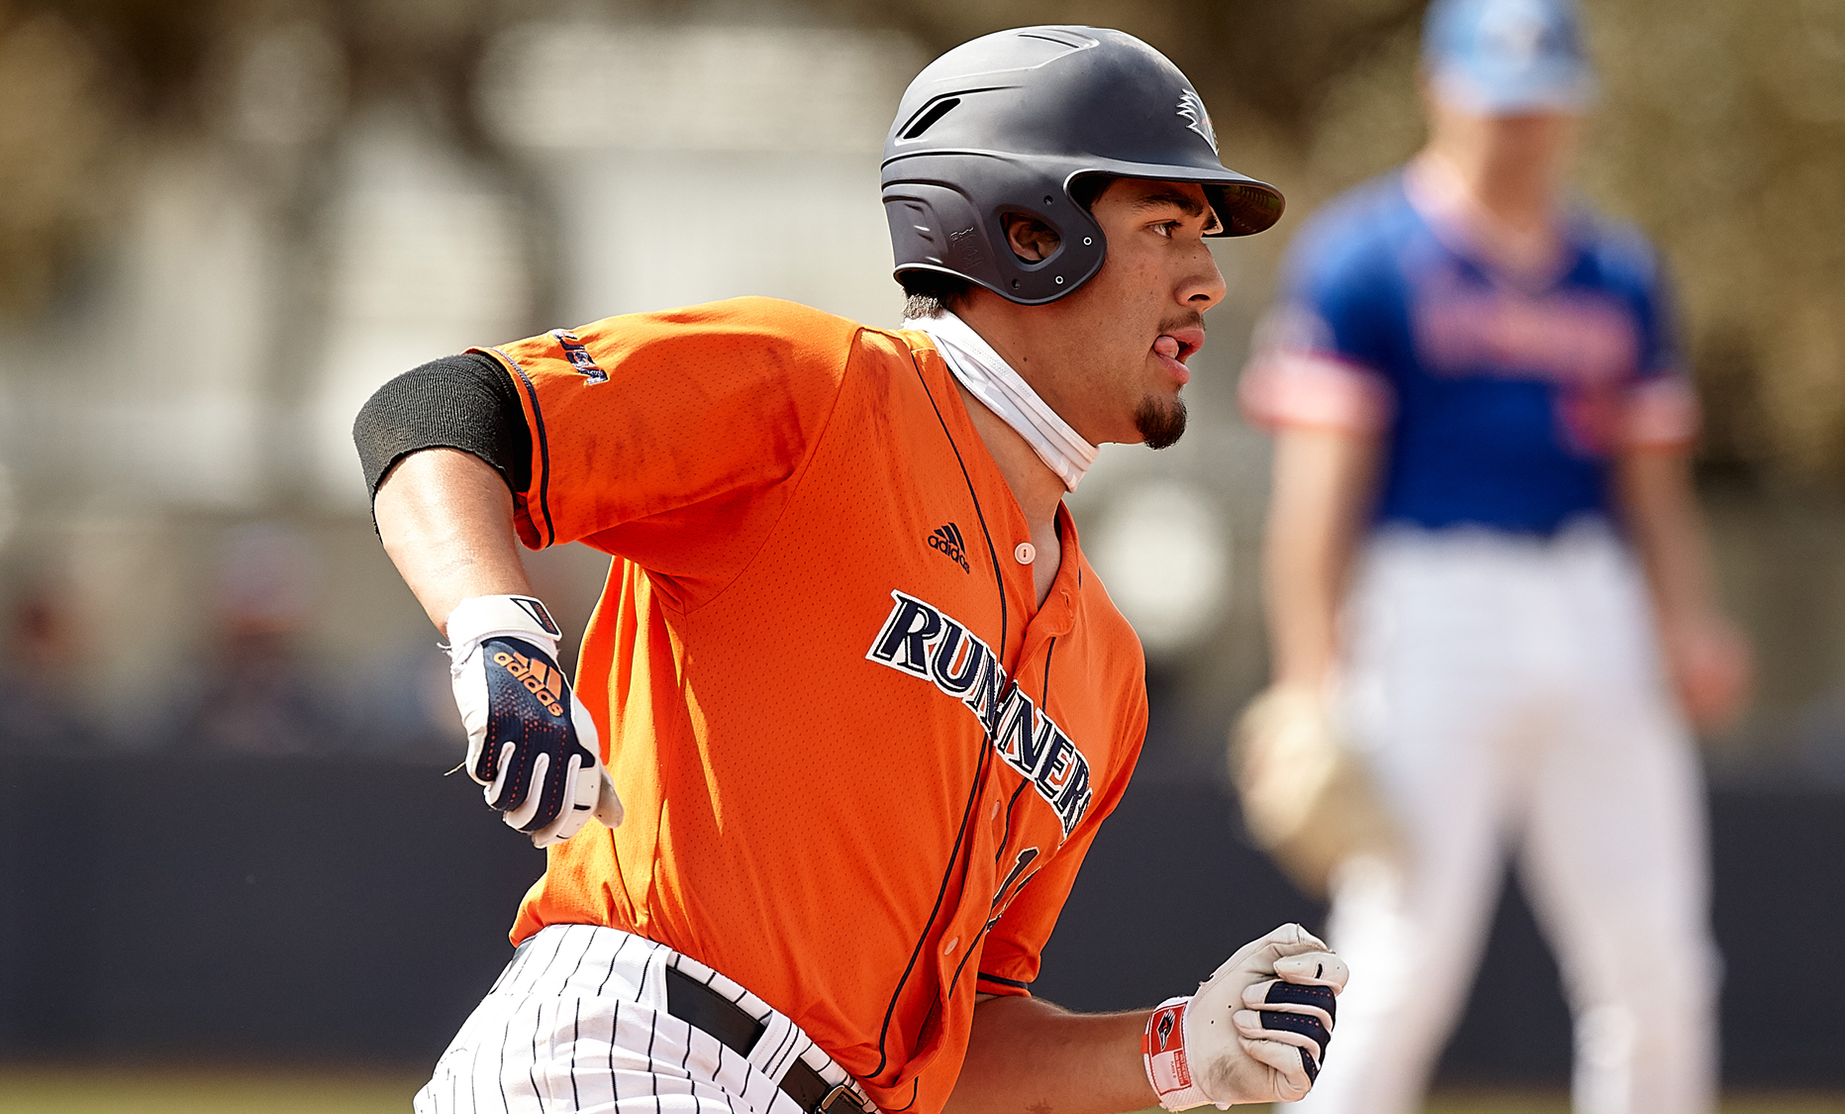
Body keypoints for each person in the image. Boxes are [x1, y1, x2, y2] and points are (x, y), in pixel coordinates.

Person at [353, 26, 1346, 1114]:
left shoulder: (1106, 667)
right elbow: (438, 415)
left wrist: (1180, 1049)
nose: (1208, 279)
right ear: (1024, 230)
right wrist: (499, 630)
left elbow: (964, 1041)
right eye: (1167, 226)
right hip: (631, 1050)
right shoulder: (818, 393)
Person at [1238, 1, 1750, 1112]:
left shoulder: (1617, 273)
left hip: (1594, 599)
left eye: (1538, 104)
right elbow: (1317, 495)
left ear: (1571, 108)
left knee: (1655, 957)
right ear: (1441, 89)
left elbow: (1649, 484)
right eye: (1497, 101)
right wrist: (1308, 683)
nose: (1518, 128)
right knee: (1399, 955)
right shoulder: (1365, 258)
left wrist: (1688, 621)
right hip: (1431, 603)